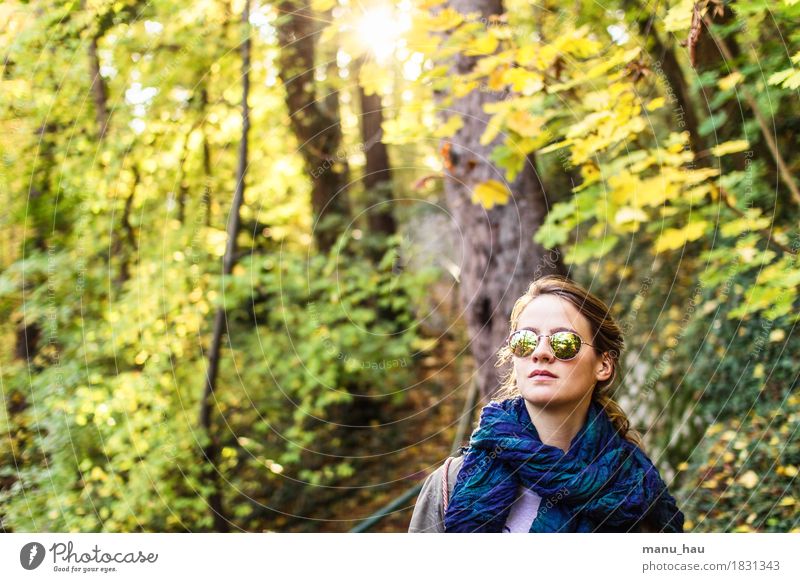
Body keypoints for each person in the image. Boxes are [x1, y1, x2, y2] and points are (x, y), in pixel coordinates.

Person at [408, 275, 684, 533]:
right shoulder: (450, 483)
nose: (540, 352)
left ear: (603, 364)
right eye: (525, 340)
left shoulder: (635, 492)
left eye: (564, 342)